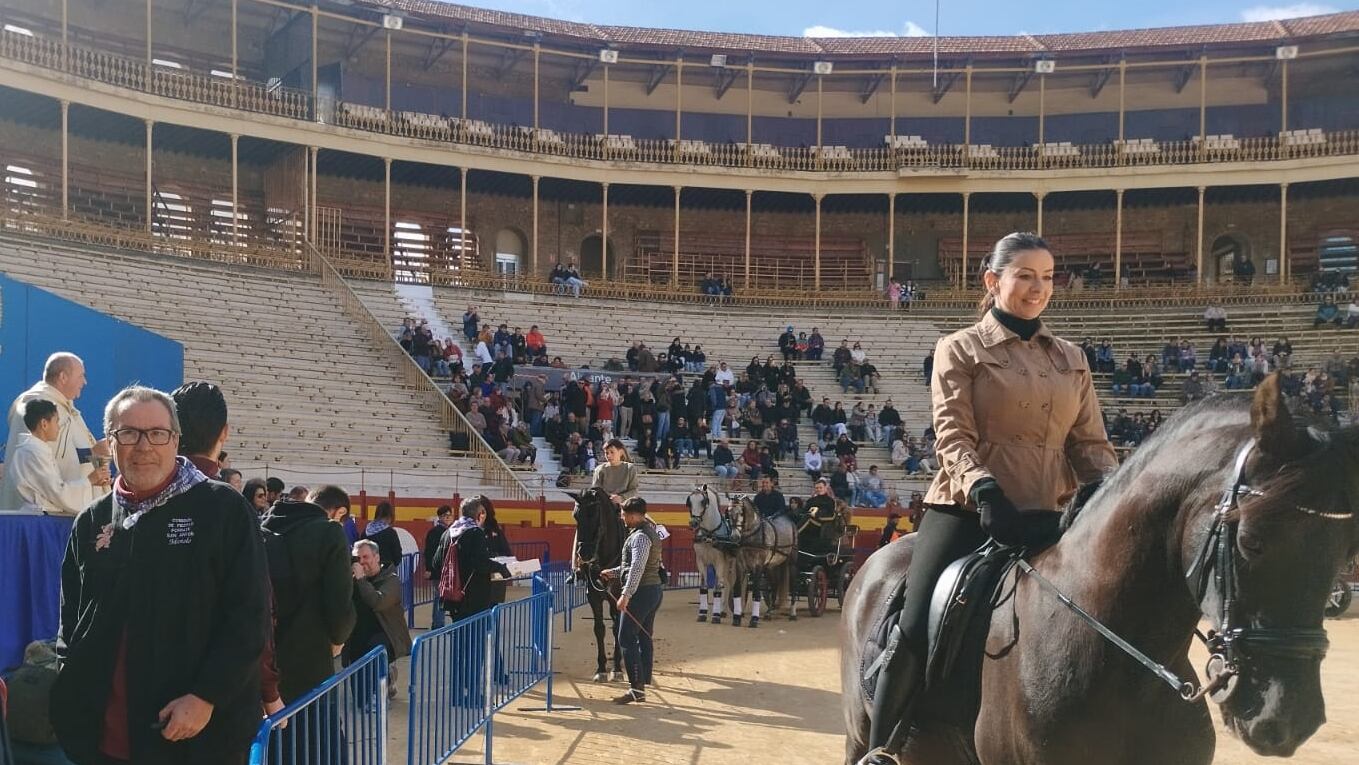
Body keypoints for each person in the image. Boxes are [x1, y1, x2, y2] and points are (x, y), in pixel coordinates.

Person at [859, 233, 1118, 764]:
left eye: (1047, 277)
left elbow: (1091, 445)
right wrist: (984, 489)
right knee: (915, 623)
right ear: (993, 281)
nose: (1038, 288)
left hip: (1052, 516)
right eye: (1024, 275)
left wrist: (1107, 494)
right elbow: (952, 435)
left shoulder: (1072, 358)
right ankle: (880, 750)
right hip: (968, 509)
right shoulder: (959, 348)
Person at [53, 386, 271, 765]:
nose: (143, 446)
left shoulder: (222, 509)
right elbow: (71, 619)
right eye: (128, 433)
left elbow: (249, 616)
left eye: (157, 433)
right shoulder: (92, 519)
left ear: (175, 440)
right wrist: (69, 683)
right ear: (111, 442)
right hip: (102, 742)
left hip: (195, 739)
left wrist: (206, 696)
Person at [261, 484, 357, 704]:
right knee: (316, 721)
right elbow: (339, 599)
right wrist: (339, 636)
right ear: (340, 512)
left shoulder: (263, 526)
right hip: (310, 654)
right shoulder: (330, 531)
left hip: (264, 653)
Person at [1, 352, 108, 512]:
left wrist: (96, 457)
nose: (84, 382)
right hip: (41, 515)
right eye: (81, 376)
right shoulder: (37, 407)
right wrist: (92, 454)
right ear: (63, 377)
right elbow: (45, 461)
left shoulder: (65, 408)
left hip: (64, 507)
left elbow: (68, 454)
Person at [600, 498, 664, 704]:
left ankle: (636, 688)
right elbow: (634, 566)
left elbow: (637, 567)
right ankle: (643, 681)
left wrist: (625, 595)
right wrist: (613, 572)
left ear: (635, 516)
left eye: (625, 514)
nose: (622, 518)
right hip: (652, 590)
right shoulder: (647, 533)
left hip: (641, 593)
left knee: (626, 637)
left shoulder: (640, 537)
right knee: (644, 636)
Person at [4, 399, 109, 514]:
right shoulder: (33, 452)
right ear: (44, 424)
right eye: (56, 421)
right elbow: (56, 492)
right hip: (42, 515)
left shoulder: (36, 450)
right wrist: (89, 480)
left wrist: (92, 482)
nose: (58, 427)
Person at [345, 539, 412, 700]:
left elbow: (377, 602)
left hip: (385, 635)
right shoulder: (352, 580)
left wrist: (361, 580)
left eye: (365, 557)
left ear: (377, 557)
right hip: (358, 635)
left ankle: (383, 685)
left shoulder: (391, 579)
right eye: (357, 558)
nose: (361, 562)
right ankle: (382, 683)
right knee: (360, 700)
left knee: (374, 653)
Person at [432, 497, 513, 621]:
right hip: (474, 597)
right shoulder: (476, 533)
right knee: (475, 631)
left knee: (459, 630)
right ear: (479, 514)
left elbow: (436, 562)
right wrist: (501, 568)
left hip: (453, 595)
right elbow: (481, 563)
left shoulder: (448, 533)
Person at [423, 505, 455, 629]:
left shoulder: (452, 531)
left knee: (444, 597)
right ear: (440, 517)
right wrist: (429, 569)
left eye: (449, 515)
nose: (448, 518)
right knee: (440, 597)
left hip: (449, 569)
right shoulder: (435, 532)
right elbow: (429, 552)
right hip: (438, 570)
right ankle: (438, 624)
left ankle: (439, 623)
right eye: (445, 516)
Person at [480, 496, 514, 605]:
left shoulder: (496, 530)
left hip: (495, 580)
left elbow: (507, 553)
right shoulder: (468, 531)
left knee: (492, 609)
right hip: (477, 583)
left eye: (483, 511)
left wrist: (495, 557)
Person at [591, 438, 641, 507]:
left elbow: (634, 489)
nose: (608, 455)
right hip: (604, 505)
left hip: (625, 505)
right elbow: (595, 490)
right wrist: (608, 498)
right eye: (606, 453)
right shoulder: (599, 469)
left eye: (612, 452)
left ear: (620, 452)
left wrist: (622, 497)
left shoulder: (630, 468)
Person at [364, 501, 403, 568]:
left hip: (368, 570)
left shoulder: (365, 531)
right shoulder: (391, 533)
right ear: (390, 516)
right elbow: (397, 556)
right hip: (386, 570)